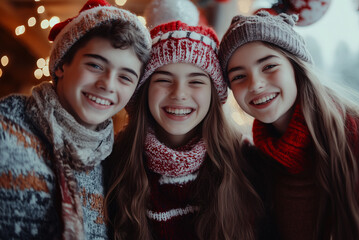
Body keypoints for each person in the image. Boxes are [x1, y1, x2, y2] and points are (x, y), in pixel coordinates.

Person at [0, 0, 151, 239]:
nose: (107, 84)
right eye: (95, 65)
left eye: (125, 77)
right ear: (61, 64)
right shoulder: (6, 130)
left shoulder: (116, 165)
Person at [104, 20, 263, 240]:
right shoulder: (112, 162)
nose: (179, 93)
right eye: (164, 79)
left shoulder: (248, 161)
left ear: (214, 94)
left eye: (196, 81)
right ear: (145, 90)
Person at [219, 11, 359, 240]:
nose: (255, 84)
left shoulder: (353, 138)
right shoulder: (255, 161)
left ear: (296, 66)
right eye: (238, 77)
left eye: (268, 66)